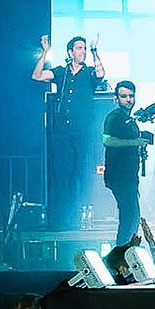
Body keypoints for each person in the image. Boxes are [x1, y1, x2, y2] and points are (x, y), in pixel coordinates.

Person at [32, 34, 107, 230]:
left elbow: (100, 73)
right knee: (62, 173)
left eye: (83, 48)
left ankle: (81, 216)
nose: (81, 51)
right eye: (79, 48)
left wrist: (94, 51)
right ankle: (61, 218)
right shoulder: (61, 72)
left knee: (80, 172)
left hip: (82, 132)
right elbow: (37, 76)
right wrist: (45, 52)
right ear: (70, 52)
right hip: (62, 132)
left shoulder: (89, 72)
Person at [102, 80, 152, 246]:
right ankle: (121, 257)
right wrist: (134, 142)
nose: (128, 100)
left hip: (129, 175)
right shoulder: (114, 117)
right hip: (119, 175)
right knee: (129, 217)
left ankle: (126, 256)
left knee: (133, 217)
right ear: (117, 98)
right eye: (124, 96)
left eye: (131, 96)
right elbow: (107, 141)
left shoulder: (129, 119)